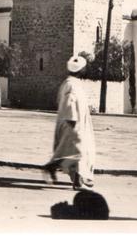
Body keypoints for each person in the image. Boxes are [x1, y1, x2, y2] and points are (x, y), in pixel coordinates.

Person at [43, 55, 95, 190]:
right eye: (85, 68)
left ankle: (72, 175)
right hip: (72, 124)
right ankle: (77, 182)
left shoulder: (71, 83)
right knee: (78, 152)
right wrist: (72, 126)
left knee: (71, 152)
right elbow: (69, 105)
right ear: (81, 70)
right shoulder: (72, 86)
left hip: (74, 124)